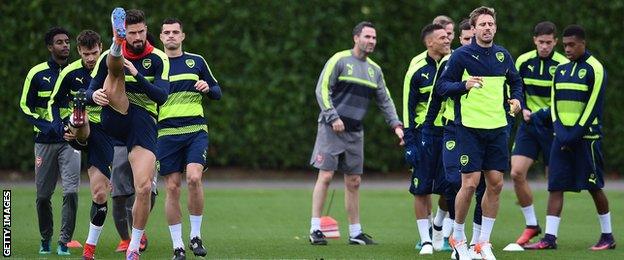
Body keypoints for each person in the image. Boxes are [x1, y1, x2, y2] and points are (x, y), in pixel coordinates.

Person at [437, 6, 523, 260]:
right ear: (473, 29)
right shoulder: (461, 56)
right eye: (482, 24)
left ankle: (482, 243)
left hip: (498, 128)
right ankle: (458, 237)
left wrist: (516, 100)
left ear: (495, 27)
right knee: (470, 183)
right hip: (470, 129)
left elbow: (516, 82)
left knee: (495, 184)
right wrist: (464, 85)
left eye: (490, 24)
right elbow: (442, 87)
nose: (487, 28)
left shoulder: (503, 55)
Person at [308, 21, 404, 246]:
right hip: (330, 128)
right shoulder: (339, 60)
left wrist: (397, 125)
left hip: (355, 132)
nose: (371, 41)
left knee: (354, 181)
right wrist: (333, 117)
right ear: (356, 38)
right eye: (367, 37)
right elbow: (322, 89)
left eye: (374, 38)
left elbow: (385, 100)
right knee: (326, 175)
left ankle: (355, 233)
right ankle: (315, 229)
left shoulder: (375, 70)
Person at [86, 8, 169, 259]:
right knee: (115, 71)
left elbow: (161, 96)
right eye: (131, 33)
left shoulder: (158, 58)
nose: (137, 37)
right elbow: (91, 89)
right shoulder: (105, 60)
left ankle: (133, 248)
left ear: (146, 29)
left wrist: (138, 74)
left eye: (140, 32)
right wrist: (93, 95)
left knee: (143, 188)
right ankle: (115, 45)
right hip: (113, 112)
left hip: (142, 120)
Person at [524, 25, 616, 251]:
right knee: (555, 186)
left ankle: (607, 236)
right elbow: (554, 104)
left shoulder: (595, 68)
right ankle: (549, 239)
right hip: (562, 137)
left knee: (594, 187)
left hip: (586, 138)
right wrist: (561, 134)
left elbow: (593, 107)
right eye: (565, 45)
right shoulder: (561, 69)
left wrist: (573, 135)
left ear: (583, 44)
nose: (567, 49)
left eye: (571, 45)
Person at [157, 17, 221, 259]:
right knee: (172, 188)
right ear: (161, 37)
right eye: (167, 32)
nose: (171, 36)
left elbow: (217, 91)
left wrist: (208, 87)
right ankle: (178, 246)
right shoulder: (155, 64)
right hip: (166, 134)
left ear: (182, 36)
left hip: (195, 130)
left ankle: (195, 236)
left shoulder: (197, 61)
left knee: (194, 178)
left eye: (175, 32)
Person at [426, 18, 486, 259]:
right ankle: (453, 235)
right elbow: (438, 93)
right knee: (454, 180)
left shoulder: (492, 62)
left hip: (483, 130)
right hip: (454, 128)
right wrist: (426, 129)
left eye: (474, 38)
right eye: (466, 38)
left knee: (483, 186)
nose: (471, 42)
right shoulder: (452, 61)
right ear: (460, 40)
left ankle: (476, 242)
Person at [20, 26, 80, 256]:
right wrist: (46, 126)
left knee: (71, 192)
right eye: (59, 42)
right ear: (49, 47)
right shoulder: (36, 73)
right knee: (43, 196)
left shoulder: (77, 72)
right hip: (44, 142)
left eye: (67, 41)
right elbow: (25, 106)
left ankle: (64, 241)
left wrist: (75, 127)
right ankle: (46, 237)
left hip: (70, 141)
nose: (65, 45)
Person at [510, 21, 568, 246]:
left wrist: (543, 113)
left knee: (554, 181)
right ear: (534, 40)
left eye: (549, 42)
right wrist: (522, 108)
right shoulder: (523, 61)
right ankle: (532, 225)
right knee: (516, 173)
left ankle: (551, 235)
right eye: (541, 42)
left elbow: (563, 98)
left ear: (555, 42)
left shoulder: (562, 64)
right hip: (529, 126)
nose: (545, 46)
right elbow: (516, 89)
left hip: (553, 127)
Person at [402, 23, 451, 255]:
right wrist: (410, 142)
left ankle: (439, 228)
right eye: (442, 37)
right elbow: (408, 108)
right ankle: (427, 241)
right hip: (425, 135)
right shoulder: (416, 68)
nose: (447, 40)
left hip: (450, 133)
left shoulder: (455, 63)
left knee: (450, 187)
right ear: (429, 42)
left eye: (448, 36)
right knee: (421, 189)